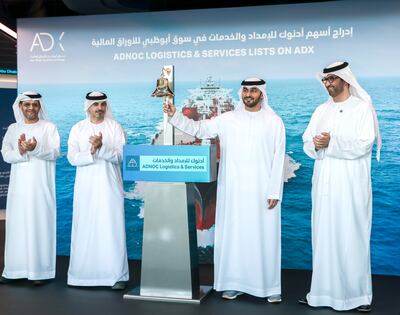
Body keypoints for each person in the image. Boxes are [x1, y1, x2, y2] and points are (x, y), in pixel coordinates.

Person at [164, 78, 286, 303]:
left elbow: (279, 157)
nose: (249, 94)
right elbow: (199, 128)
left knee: (265, 237)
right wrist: (174, 115)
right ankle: (233, 283)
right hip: (233, 190)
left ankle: (269, 287)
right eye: (246, 90)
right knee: (235, 236)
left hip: (262, 191)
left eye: (254, 91)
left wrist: (274, 191)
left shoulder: (274, 121)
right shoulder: (228, 119)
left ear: (262, 94)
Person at [301, 61, 381, 312]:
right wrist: (316, 144)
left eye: (333, 79)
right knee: (324, 236)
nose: (328, 83)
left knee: (352, 236)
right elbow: (306, 141)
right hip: (324, 183)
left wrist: (331, 142)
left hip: (351, 186)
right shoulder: (320, 110)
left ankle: (358, 296)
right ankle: (322, 293)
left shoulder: (362, 108)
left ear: (346, 80)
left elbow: (364, 144)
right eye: (325, 80)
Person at [67, 91, 129, 289]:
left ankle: (116, 276)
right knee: (84, 227)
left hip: (109, 187)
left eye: (102, 104)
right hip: (85, 188)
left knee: (112, 228)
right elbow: (72, 158)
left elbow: (120, 156)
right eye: (96, 105)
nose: (99, 108)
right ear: (88, 107)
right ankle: (81, 275)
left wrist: (101, 148)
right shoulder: (78, 129)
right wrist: (91, 151)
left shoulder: (115, 127)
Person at [0, 91, 60, 285]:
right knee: (17, 226)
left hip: (41, 188)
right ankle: (14, 271)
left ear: (39, 107)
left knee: (40, 224)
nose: (31, 108)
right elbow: (6, 154)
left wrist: (36, 149)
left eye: (35, 104)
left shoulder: (49, 127)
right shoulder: (13, 128)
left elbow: (55, 153)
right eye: (27, 105)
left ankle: (40, 272)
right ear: (20, 107)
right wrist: (22, 151)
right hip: (18, 189)